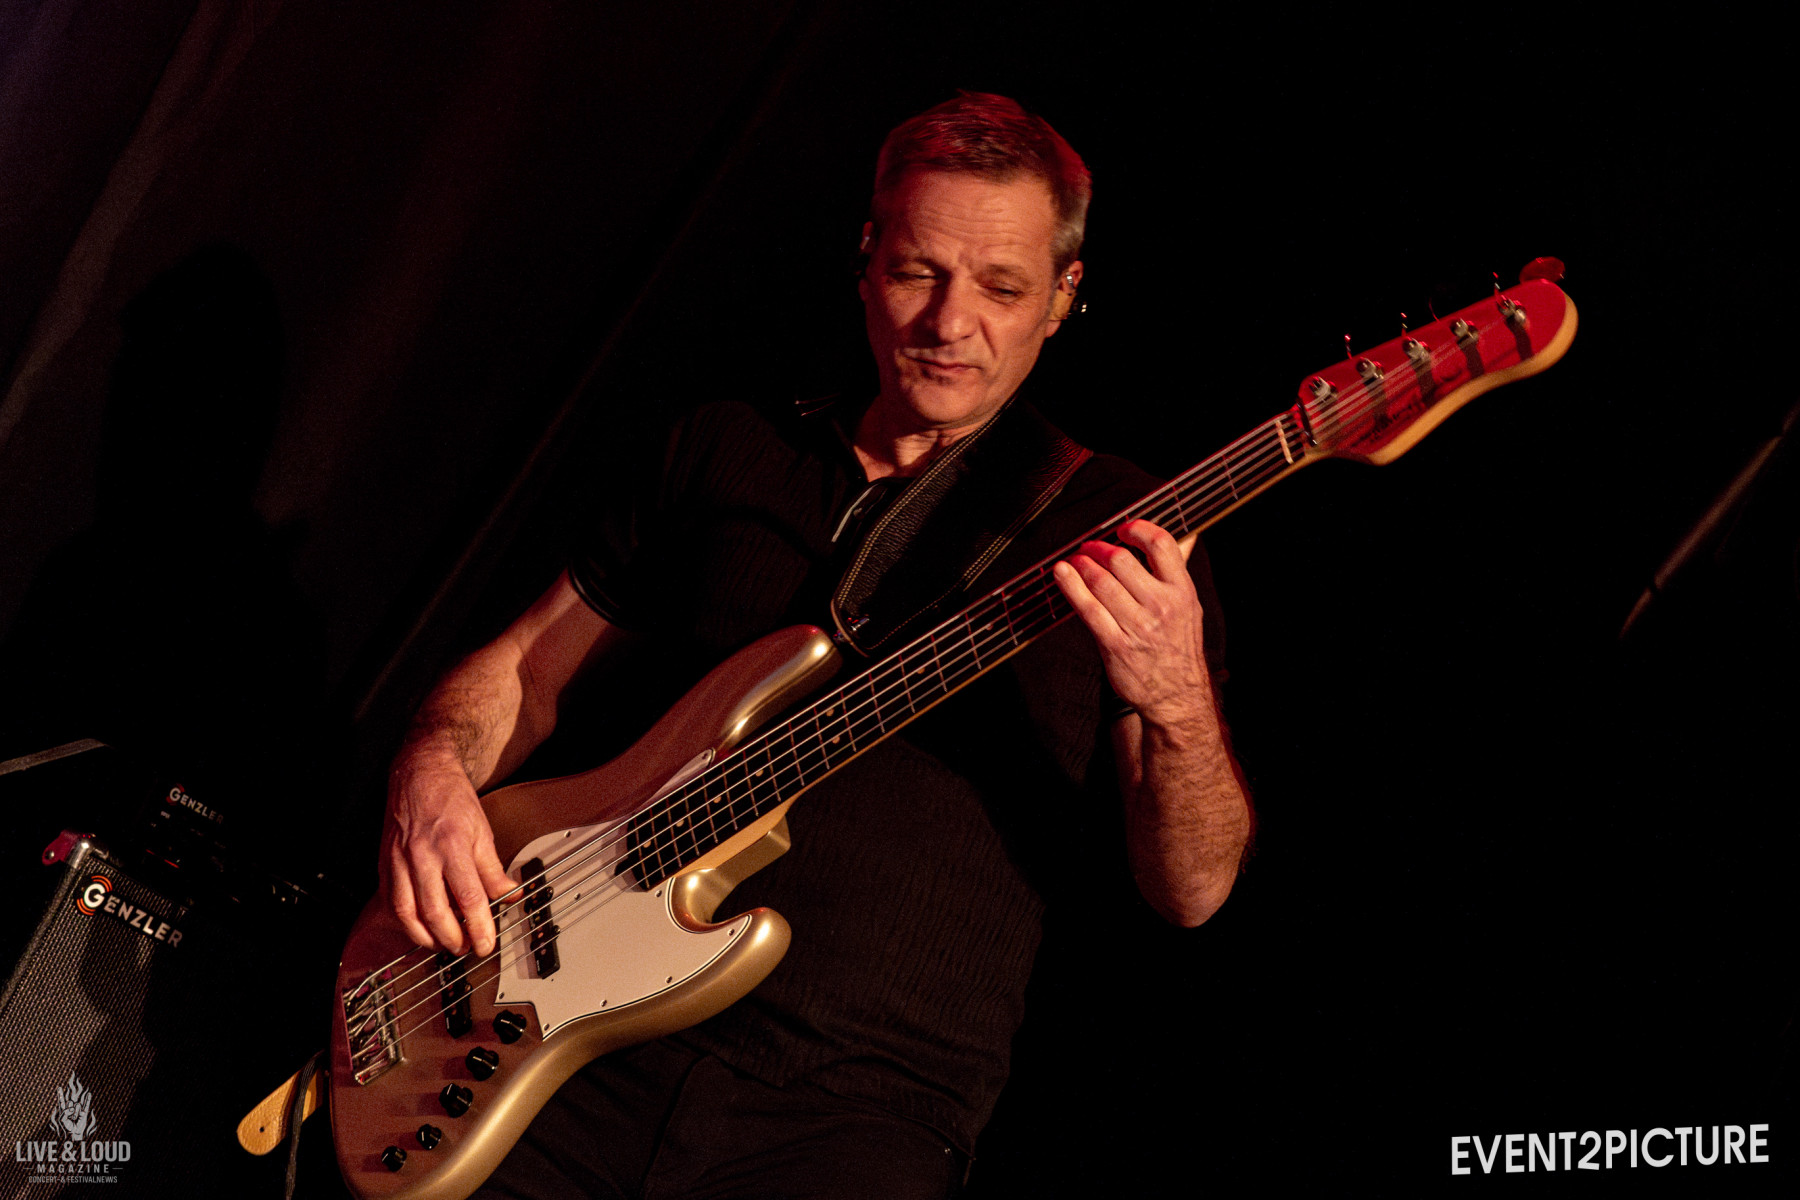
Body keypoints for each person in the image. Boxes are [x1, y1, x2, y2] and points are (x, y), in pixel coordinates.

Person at [383, 92, 1252, 1198]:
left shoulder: (1124, 531)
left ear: (1062, 297)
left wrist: (1177, 702)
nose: (950, 323)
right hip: (571, 1055)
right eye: (919, 271)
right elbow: (528, 669)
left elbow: (1193, 892)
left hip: (862, 1113)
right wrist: (431, 771)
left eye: (1001, 288)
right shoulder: (730, 445)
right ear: (866, 256)